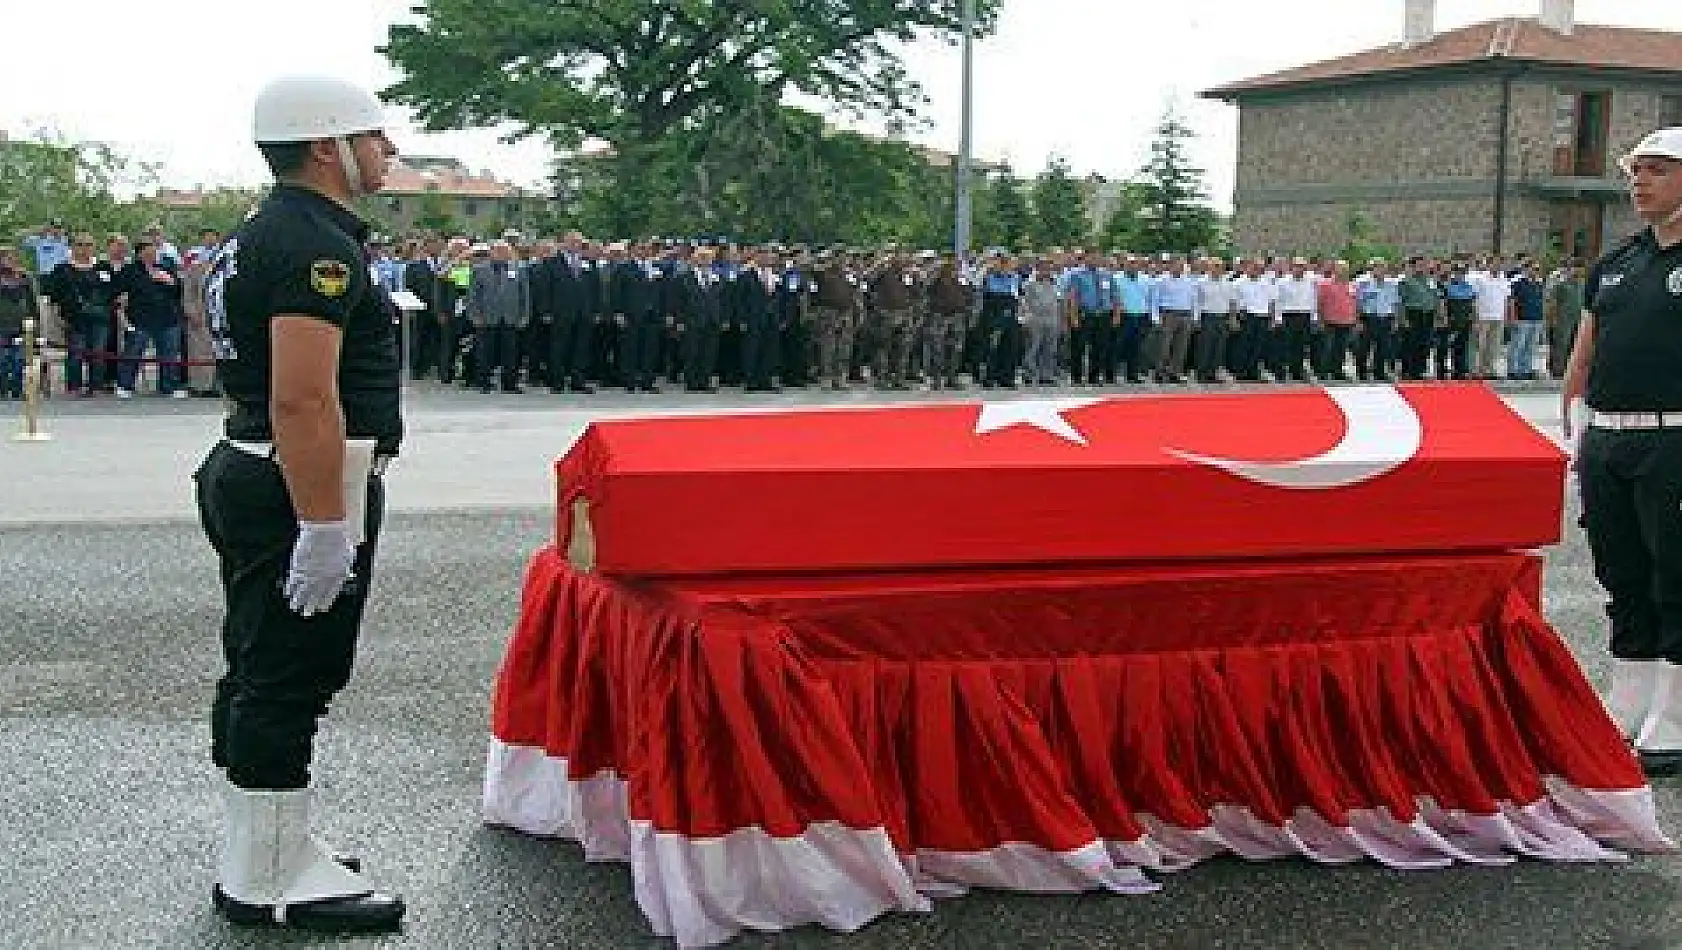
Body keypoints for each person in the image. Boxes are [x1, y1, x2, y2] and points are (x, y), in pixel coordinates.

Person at [191, 75, 406, 931]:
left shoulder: (263, 232)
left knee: (259, 662)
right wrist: (324, 526)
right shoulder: (313, 244)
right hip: (300, 477)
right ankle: (266, 878)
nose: (388, 151)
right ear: (328, 145)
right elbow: (304, 400)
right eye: (375, 135)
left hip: (257, 466)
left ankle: (266, 839)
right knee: (290, 675)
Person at [1563, 127, 1682, 777]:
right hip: (1610, 435)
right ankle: (1632, 695)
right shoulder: (1616, 261)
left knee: (1676, 573)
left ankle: (1677, 707)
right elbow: (1590, 342)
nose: (1640, 181)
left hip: (1676, 436)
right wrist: (1576, 406)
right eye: (1637, 171)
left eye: (1658, 171)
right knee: (1622, 571)